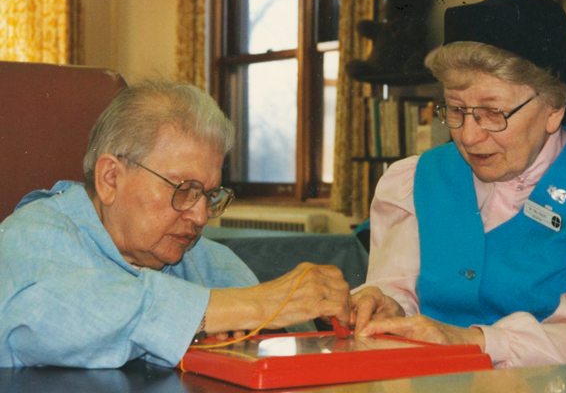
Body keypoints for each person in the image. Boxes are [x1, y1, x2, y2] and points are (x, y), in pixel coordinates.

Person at [351, 0, 566, 368]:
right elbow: (400, 284)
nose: (470, 136)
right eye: (456, 110)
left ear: (554, 109)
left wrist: (478, 342)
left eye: (493, 113)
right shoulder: (413, 181)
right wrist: (387, 301)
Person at [0, 81, 351, 368]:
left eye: (210, 195)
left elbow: (284, 333)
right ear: (111, 179)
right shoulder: (32, 236)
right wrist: (258, 304)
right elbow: (62, 317)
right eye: (184, 190)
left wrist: (343, 319)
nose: (200, 217)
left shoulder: (204, 258)